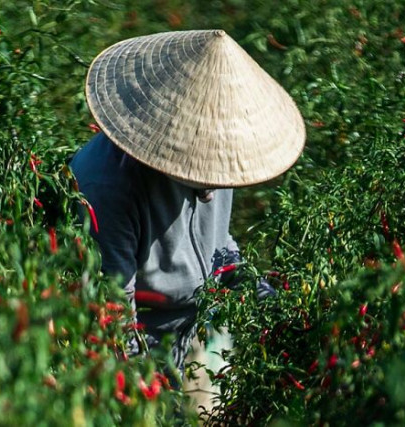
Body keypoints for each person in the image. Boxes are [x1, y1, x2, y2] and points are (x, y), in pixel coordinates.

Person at [70, 29, 305, 385]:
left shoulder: (219, 157)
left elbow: (219, 251)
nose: (216, 187)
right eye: (206, 170)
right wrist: (148, 397)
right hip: (141, 342)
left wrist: (273, 307)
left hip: (196, 329)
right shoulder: (107, 187)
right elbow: (113, 317)